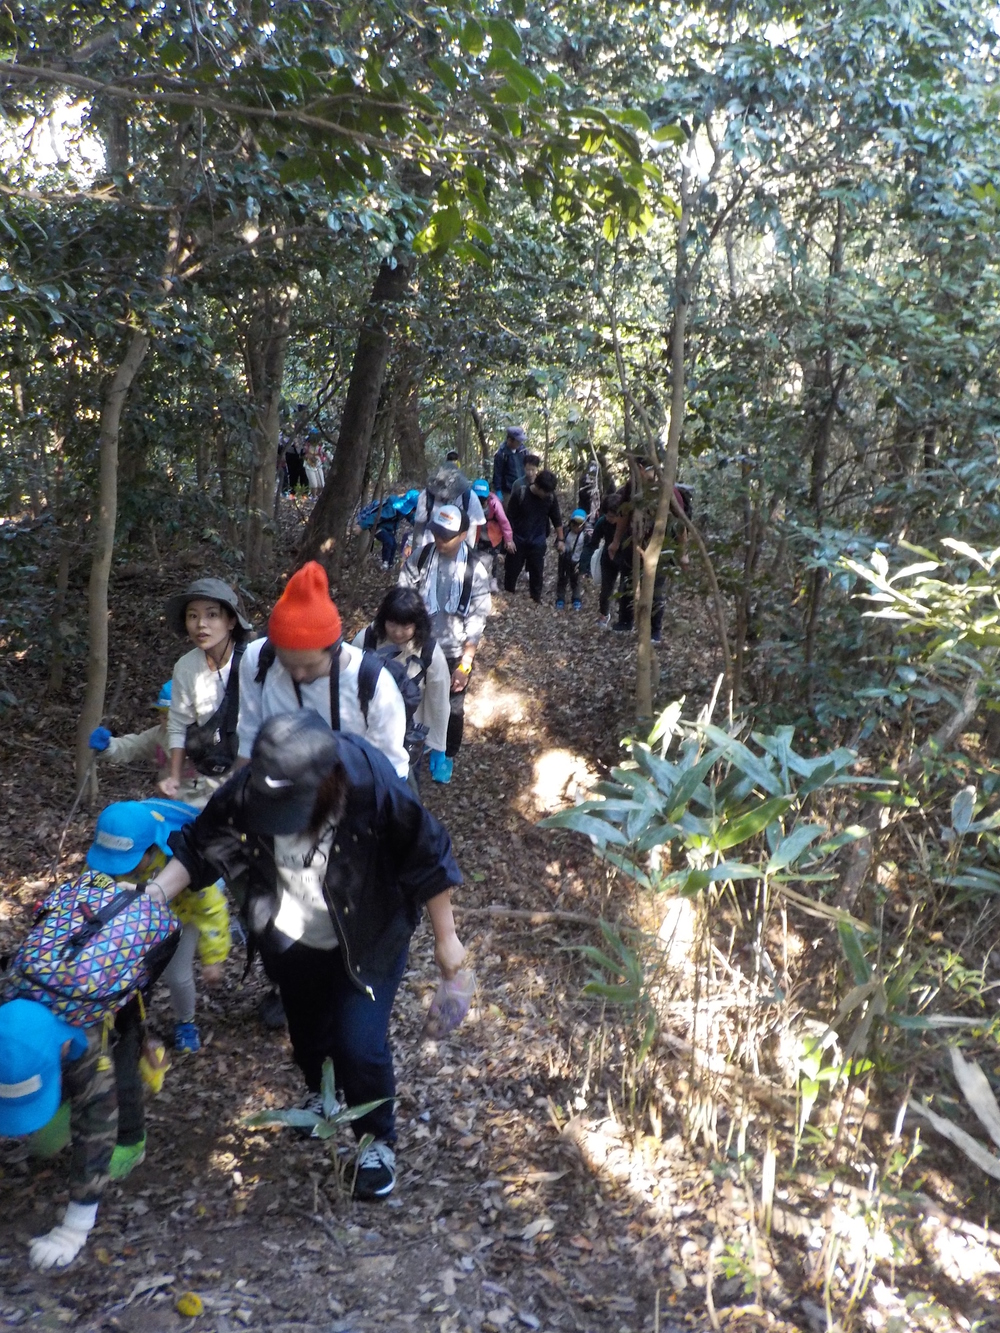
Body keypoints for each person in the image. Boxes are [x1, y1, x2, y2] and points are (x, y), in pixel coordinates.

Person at [147, 710, 467, 1201]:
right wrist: (147, 902)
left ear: (326, 780)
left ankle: (374, 1140)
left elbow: (427, 851)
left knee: (360, 1044)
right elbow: (199, 848)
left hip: (368, 934)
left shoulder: (370, 781)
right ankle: (320, 1095)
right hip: (291, 935)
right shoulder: (247, 788)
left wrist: (447, 939)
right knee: (307, 1030)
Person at [0, 826, 181, 1268]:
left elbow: (93, 1138)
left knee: (116, 1070)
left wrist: (72, 1229)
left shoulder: (84, 1057)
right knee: (41, 1139)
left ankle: (134, 1115)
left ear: (64, 1056)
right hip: (49, 981)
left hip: (114, 989)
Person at [238, 561, 408, 779]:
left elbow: (390, 771)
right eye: (287, 664)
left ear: (335, 649)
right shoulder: (257, 659)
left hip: (353, 792)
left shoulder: (375, 685)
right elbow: (249, 737)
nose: (298, 674)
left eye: (309, 666)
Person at [87, 801, 230, 1055]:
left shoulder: (182, 865)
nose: (118, 869)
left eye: (126, 862)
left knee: (177, 974)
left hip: (182, 917)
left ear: (151, 849)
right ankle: (126, 1020)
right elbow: (92, 888)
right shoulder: (109, 865)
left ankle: (186, 1022)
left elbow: (211, 910)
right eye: (110, 861)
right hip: (138, 921)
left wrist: (213, 958)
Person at [398, 504, 491, 784]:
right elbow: (404, 592)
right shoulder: (422, 557)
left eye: (447, 535)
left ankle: (446, 753)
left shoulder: (474, 569)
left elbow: (477, 619)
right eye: (437, 533)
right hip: (419, 645)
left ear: (463, 535)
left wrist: (465, 664)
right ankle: (421, 741)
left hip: (453, 650)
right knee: (417, 696)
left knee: (453, 706)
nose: (440, 540)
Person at [158, 578, 253, 804]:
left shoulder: (253, 660)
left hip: (252, 773)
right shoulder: (186, 667)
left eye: (212, 615)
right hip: (212, 771)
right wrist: (174, 777)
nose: (201, 624)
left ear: (231, 621)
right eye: (193, 616)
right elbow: (179, 724)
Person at [352, 587, 451, 788]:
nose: (398, 632)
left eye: (406, 626)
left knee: (403, 788)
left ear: (417, 625)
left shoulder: (429, 652)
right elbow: (347, 679)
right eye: (392, 624)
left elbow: (439, 700)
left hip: (408, 734)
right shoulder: (367, 639)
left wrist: (438, 744)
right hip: (365, 728)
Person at [607, 461, 690, 640]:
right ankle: (625, 621)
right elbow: (623, 515)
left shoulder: (668, 490)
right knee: (627, 581)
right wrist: (615, 541)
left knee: (656, 589)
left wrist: (683, 553)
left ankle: (654, 631)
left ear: (641, 469)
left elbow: (680, 524)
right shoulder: (632, 487)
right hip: (634, 544)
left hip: (660, 548)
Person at [504, 468, 565, 603]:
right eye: (546, 491)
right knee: (511, 571)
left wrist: (561, 539)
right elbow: (509, 518)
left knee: (537, 572)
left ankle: (535, 599)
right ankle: (508, 597)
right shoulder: (521, 493)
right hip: (518, 539)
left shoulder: (550, 497)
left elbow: (556, 518)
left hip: (538, 540)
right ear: (538, 486)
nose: (548, 494)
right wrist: (509, 540)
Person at [411, 464, 486, 551]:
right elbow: (419, 527)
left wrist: (467, 556)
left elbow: (471, 532)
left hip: (458, 551)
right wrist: (416, 553)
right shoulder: (426, 496)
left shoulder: (469, 498)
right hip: (429, 548)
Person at [472, 478, 514, 594]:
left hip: (494, 534)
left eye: (483, 500)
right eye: (478, 499)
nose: (481, 503)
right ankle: (480, 579)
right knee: (478, 555)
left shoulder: (494, 503)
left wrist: (508, 539)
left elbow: (504, 522)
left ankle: (493, 581)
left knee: (494, 557)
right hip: (478, 534)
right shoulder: (470, 502)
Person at [556, 509, 588, 611]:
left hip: (576, 561)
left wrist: (584, 564)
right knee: (562, 579)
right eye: (574, 524)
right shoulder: (565, 531)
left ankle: (576, 599)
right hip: (564, 559)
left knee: (576, 581)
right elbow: (558, 542)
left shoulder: (585, 536)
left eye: (580, 525)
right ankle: (560, 598)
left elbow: (587, 550)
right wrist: (560, 547)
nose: (576, 527)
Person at [492, 426, 527, 502]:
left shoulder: (523, 450)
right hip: (508, 491)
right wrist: (498, 490)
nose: (520, 443)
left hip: (523, 488)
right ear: (510, 440)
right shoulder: (501, 454)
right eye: (518, 441)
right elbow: (497, 474)